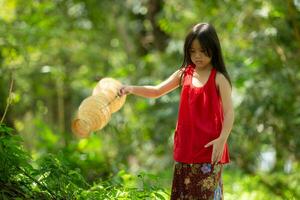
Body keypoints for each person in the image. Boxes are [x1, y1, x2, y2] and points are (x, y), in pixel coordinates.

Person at [118, 23, 234, 200]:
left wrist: (222, 138)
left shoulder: (219, 78)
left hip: (210, 152)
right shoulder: (183, 74)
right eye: (192, 51)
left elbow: (229, 113)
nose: (197, 56)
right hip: (185, 150)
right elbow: (157, 91)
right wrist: (131, 89)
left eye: (203, 51)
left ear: (213, 49)